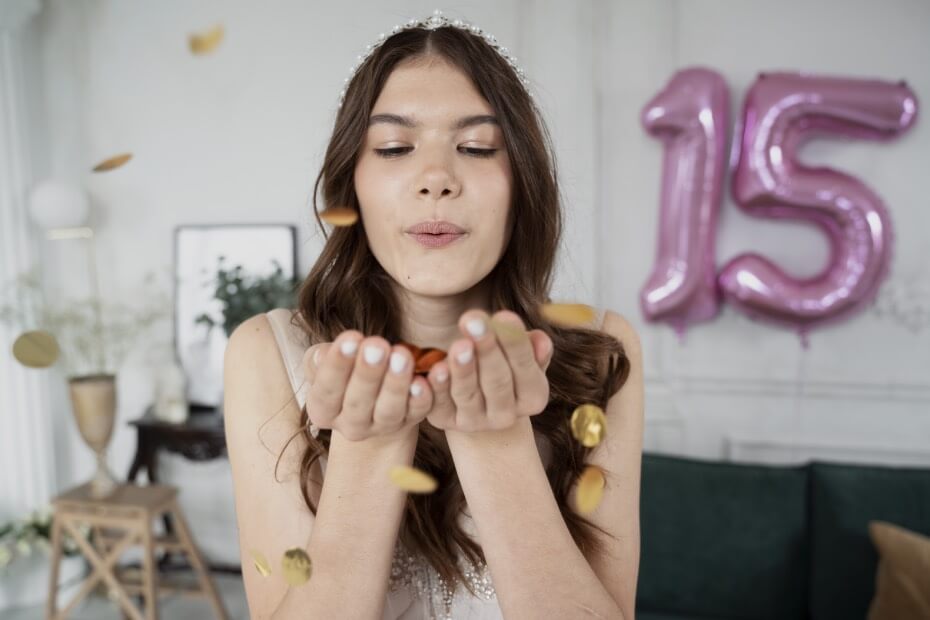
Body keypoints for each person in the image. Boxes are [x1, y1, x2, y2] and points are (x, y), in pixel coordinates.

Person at [223, 9, 644, 619]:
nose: (436, 179)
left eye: (476, 147)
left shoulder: (601, 350)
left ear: (523, 183)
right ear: (352, 186)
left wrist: (497, 444)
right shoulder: (268, 351)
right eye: (394, 147)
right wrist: (367, 452)